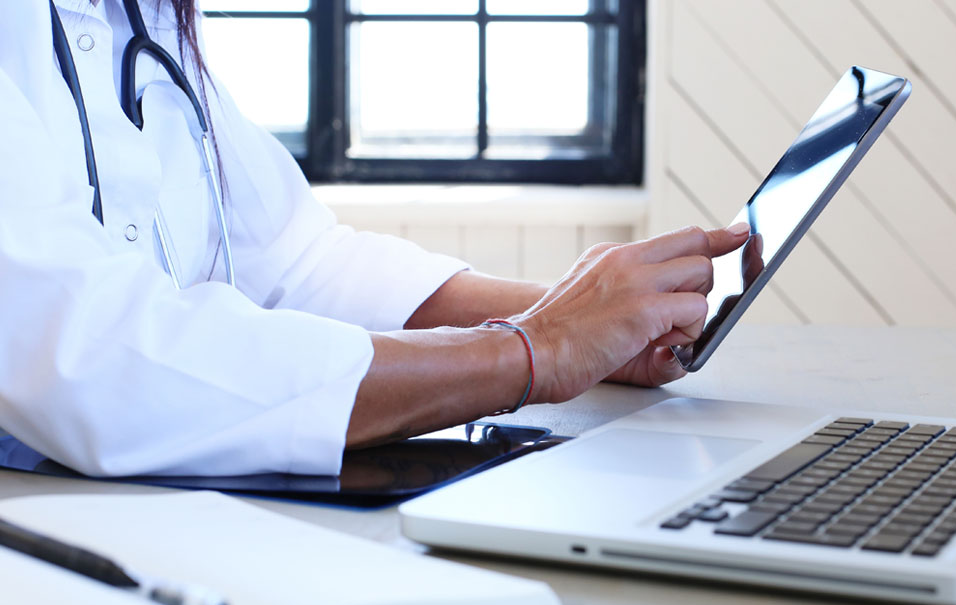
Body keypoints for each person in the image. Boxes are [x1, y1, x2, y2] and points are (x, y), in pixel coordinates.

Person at [0, 0, 749, 477]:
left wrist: (601, 324)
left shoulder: (136, 16)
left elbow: (300, 262)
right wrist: (535, 347)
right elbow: (89, 357)